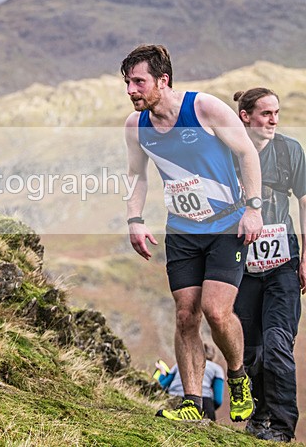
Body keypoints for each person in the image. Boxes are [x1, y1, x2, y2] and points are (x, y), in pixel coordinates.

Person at [121, 44, 263, 422]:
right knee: (186, 315)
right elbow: (137, 175)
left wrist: (253, 208)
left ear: (162, 80)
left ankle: (237, 375)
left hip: (226, 225)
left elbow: (248, 153)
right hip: (183, 231)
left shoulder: (204, 109)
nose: (131, 90)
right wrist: (134, 218)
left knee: (216, 311)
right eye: (127, 83)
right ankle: (192, 404)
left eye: (139, 82)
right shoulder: (136, 126)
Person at [233, 88, 306, 442]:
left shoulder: (289, 151)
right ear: (245, 116)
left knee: (278, 340)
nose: (273, 120)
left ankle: (280, 425)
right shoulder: (227, 152)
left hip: (283, 264)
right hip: (239, 267)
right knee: (250, 348)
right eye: (265, 113)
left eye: (276, 113)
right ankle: (259, 417)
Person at [153, 343, 225, 421]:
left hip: (173, 398)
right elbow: (218, 400)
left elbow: (162, 385)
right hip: (204, 403)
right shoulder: (217, 369)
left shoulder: (180, 364)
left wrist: (162, 372)